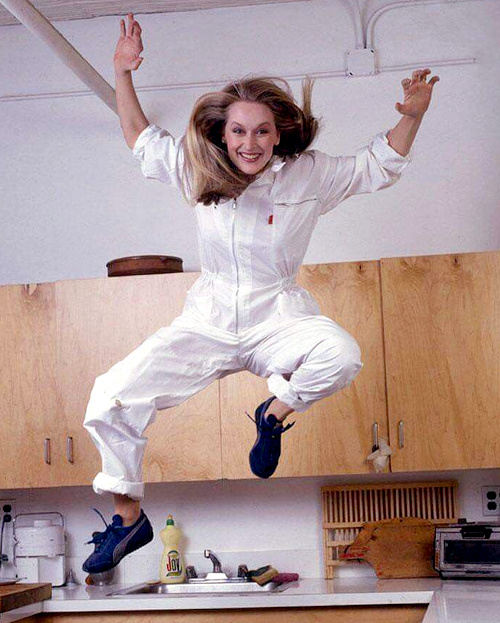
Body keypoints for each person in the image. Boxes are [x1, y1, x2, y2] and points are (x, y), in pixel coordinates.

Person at [82, 13, 439, 574]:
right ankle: (129, 519)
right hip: (209, 320)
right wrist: (122, 72)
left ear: (279, 134)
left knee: (342, 354)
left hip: (278, 316)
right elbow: (138, 136)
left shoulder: (307, 175)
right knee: (110, 395)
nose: (250, 143)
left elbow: (378, 165)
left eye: (262, 132)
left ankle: (272, 413)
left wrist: (412, 116)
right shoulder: (197, 169)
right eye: (239, 131)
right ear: (222, 134)